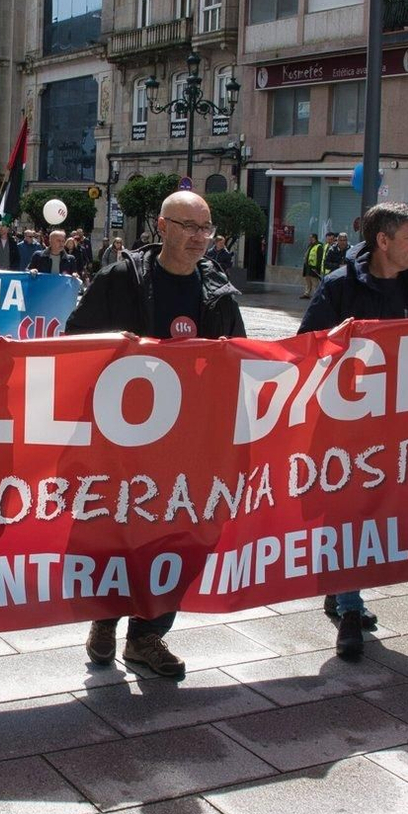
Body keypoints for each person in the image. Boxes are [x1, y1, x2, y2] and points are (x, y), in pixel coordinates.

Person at [66, 190, 245, 679]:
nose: (199, 238)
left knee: (178, 536)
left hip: (189, 445)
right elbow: (74, 341)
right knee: (119, 531)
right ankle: (105, 618)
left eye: (205, 228)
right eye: (189, 227)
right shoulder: (122, 277)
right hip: (123, 443)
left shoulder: (218, 290)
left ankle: (148, 636)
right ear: (161, 227)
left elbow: (242, 362)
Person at [299, 203, 408, 661]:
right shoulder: (340, 287)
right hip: (346, 426)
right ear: (383, 241)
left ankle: (342, 590)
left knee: (379, 514)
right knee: (346, 512)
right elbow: (307, 348)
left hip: (401, 426)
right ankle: (350, 609)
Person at [302, 234, 325, 298]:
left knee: (315, 282)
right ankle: (307, 293)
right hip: (307, 266)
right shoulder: (310, 245)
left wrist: (317, 268)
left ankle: (316, 295)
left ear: (314, 238)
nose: (309, 239)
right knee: (308, 281)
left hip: (313, 267)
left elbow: (319, 258)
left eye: (311, 237)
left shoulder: (319, 246)